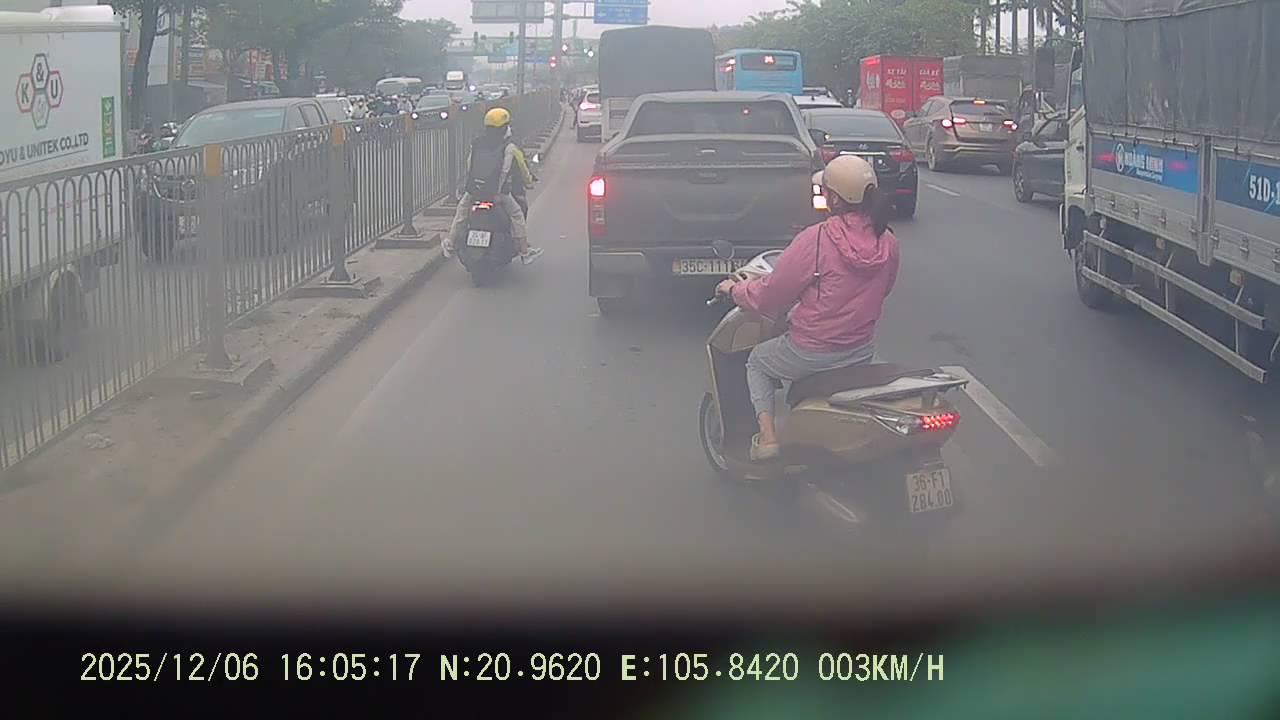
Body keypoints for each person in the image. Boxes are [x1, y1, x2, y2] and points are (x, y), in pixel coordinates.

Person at [715, 155, 899, 462]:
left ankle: (768, 439)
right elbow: (885, 288)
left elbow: (771, 295)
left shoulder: (817, 239)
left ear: (835, 198)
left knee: (757, 362)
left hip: (811, 351)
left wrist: (734, 290)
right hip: (860, 349)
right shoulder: (887, 241)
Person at [444, 107, 544, 264]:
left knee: (461, 212)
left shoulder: (477, 143)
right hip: (498, 194)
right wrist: (528, 182)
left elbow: (470, 165)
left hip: (474, 191)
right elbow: (520, 169)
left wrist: (475, 187)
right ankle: (525, 252)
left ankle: (450, 243)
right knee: (517, 215)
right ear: (505, 127)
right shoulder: (510, 147)